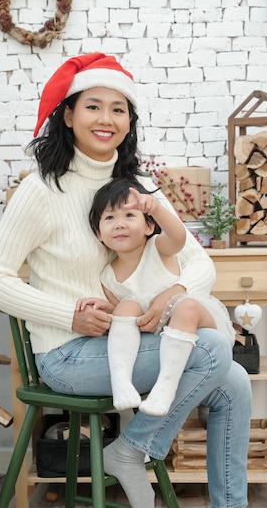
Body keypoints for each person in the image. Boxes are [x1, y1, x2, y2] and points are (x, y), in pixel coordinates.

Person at [0, 53, 255, 508]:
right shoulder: (43, 189)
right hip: (66, 355)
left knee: (233, 381)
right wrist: (68, 315)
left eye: (119, 108)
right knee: (217, 350)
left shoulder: (139, 189)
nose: (107, 118)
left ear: (129, 121)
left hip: (130, 340)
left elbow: (199, 263)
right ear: (69, 115)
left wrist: (163, 304)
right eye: (94, 106)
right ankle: (134, 450)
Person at [76, 177, 235, 416]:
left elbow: (179, 237)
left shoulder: (158, 247)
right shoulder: (107, 275)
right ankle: (122, 383)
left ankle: (165, 387)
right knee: (128, 306)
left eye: (129, 216)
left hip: (196, 322)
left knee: (185, 306)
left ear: (149, 227)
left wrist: (157, 209)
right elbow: (125, 318)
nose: (119, 224)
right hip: (156, 334)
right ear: (99, 233)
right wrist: (107, 308)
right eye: (110, 218)